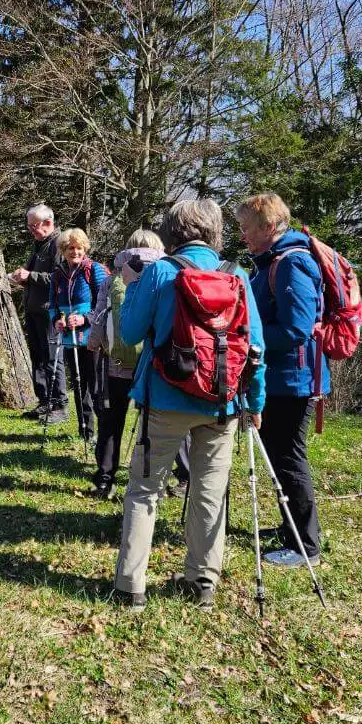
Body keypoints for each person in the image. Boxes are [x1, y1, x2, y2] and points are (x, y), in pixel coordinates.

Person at [111, 200, 266, 612]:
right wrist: (256, 401)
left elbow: (128, 332)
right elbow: (255, 347)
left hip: (164, 399)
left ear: (170, 233)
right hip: (223, 402)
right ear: (216, 234)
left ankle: (131, 586)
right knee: (209, 491)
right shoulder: (237, 276)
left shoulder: (160, 272)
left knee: (145, 489)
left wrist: (131, 288)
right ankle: (203, 583)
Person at [237, 192, 328, 568]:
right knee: (278, 452)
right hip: (279, 376)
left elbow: (296, 328)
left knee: (288, 457)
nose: (242, 235)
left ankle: (306, 544)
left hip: (293, 379)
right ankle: (290, 525)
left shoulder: (292, 264)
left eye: (247, 228)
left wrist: (248, 337)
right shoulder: (273, 261)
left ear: (269, 226)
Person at [86, 230, 164, 499]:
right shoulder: (167, 276)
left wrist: (94, 344)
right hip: (153, 366)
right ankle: (173, 477)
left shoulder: (113, 279)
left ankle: (105, 479)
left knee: (110, 423)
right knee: (158, 423)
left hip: (115, 364)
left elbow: (99, 318)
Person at [7, 204, 67, 423]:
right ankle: (44, 402)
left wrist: (30, 275)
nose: (30, 229)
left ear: (48, 223)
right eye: (29, 225)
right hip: (33, 310)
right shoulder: (39, 245)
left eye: (34, 225)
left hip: (49, 312)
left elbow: (59, 279)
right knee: (38, 358)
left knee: (52, 358)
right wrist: (22, 278)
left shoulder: (59, 245)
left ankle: (59, 406)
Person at [47, 228, 108, 444]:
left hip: (92, 338)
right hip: (69, 339)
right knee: (79, 385)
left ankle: (104, 434)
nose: (75, 252)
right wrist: (57, 320)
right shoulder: (57, 274)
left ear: (85, 249)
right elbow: (53, 305)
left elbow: (105, 304)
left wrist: (85, 318)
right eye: (71, 248)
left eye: (79, 248)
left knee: (96, 386)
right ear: (63, 250)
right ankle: (85, 432)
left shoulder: (95, 270)